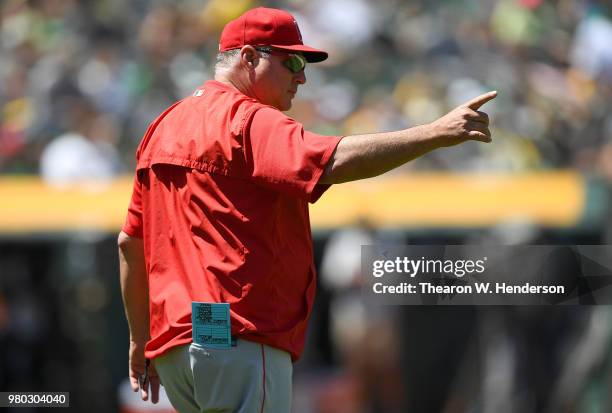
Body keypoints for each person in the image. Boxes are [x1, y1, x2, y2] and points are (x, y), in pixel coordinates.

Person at [118, 6, 496, 412]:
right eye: (292, 61)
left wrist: (141, 340)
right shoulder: (247, 119)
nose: (302, 76)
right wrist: (434, 132)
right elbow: (331, 160)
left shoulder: (162, 126)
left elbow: (129, 243)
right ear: (248, 58)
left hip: (176, 348)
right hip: (237, 335)